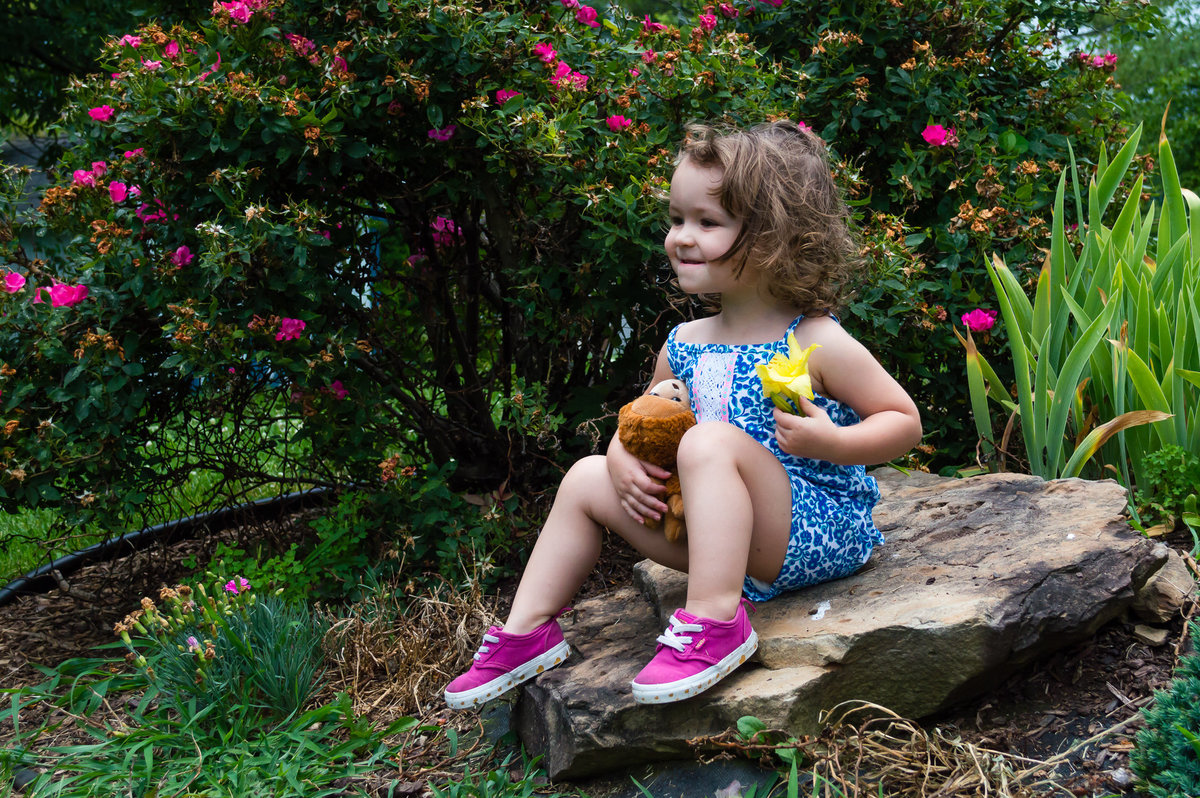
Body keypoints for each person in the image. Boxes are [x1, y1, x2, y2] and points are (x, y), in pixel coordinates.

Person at [444, 120, 922, 709]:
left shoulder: (815, 338)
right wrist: (621, 458)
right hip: (719, 542)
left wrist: (831, 441)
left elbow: (903, 420)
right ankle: (526, 632)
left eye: (707, 222)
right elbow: (647, 422)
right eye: (676, 219)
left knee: (708, 443)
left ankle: (716, 621)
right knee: (586, 475)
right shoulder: (685, 341)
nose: (681, 238)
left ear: (776, 236)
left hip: (808, 530)